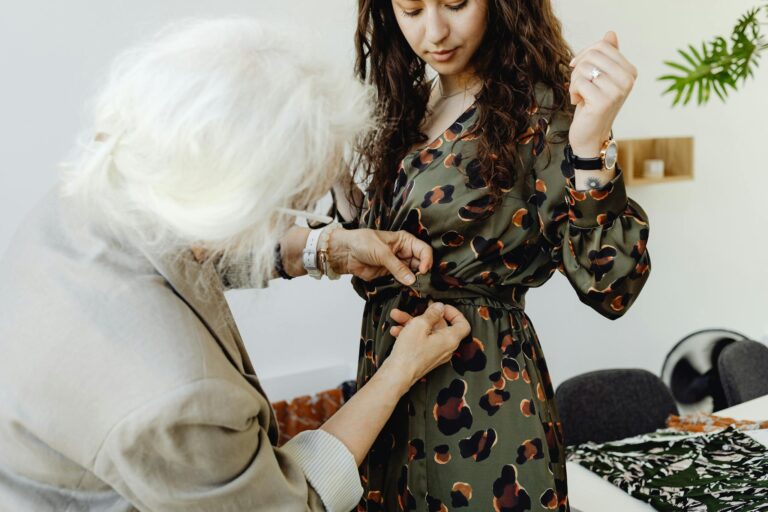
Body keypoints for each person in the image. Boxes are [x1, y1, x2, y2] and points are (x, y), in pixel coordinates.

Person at [0, 18, 472, 512]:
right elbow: (291, 503)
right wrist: (397, 374)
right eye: (304, 206)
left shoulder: (99, 194)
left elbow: (182, 256)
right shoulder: (179, 401)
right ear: (233, 206)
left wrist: (324, 249)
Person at [327, 0, 652, 510]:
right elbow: (377, 274)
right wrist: (338, 181)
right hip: (389, 392)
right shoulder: (402, 109)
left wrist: (590, 146)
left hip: (481, 395)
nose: (434, 30)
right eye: (411, 10)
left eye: (456, 3)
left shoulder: (539, 111)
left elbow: (611, 286)